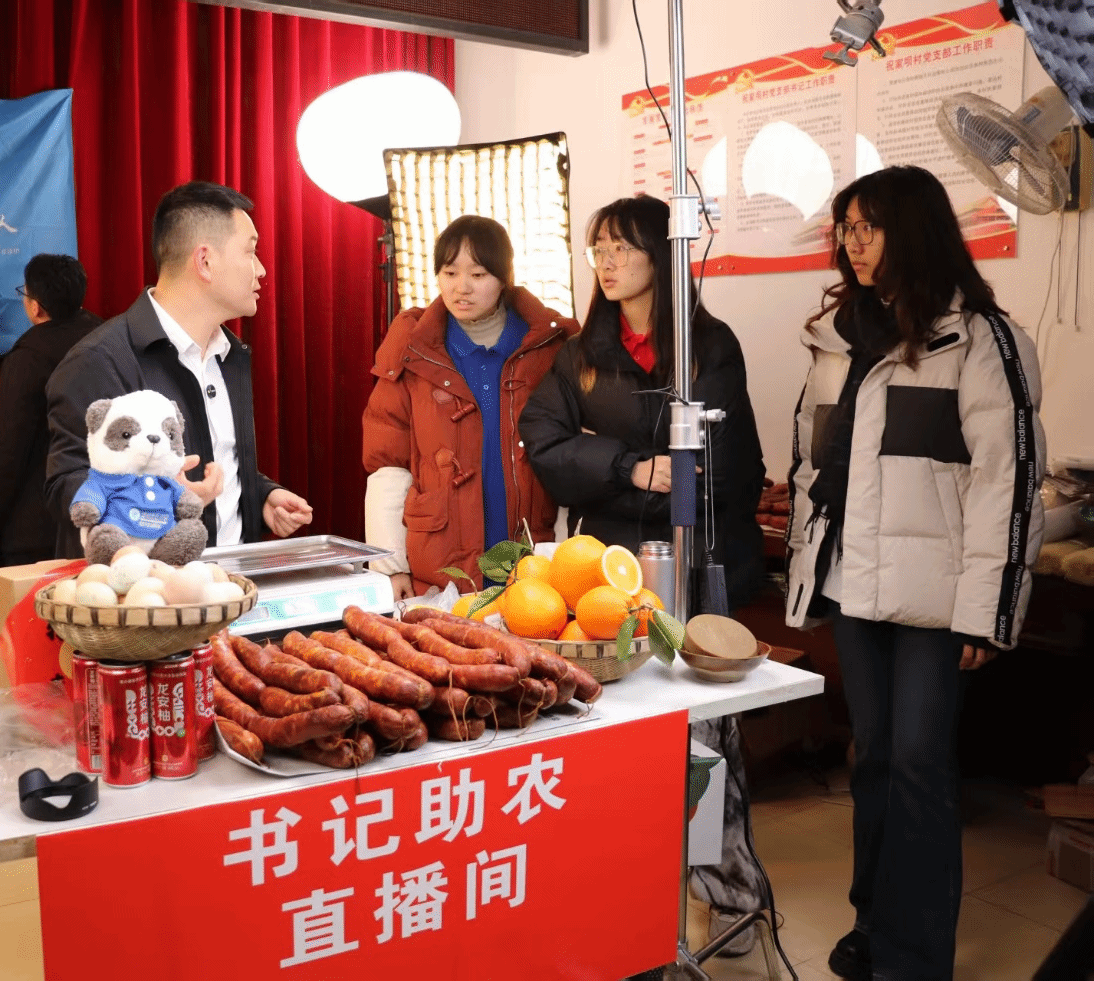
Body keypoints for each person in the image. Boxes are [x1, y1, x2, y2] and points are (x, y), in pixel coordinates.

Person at [785, 165, 1045, 981]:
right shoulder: (839, 339)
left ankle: (915, 956)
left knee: (919, 766)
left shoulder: (980, 339)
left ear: (916, 229)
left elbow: (1008, 482)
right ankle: (873, 921)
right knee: (872, 759)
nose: (854, 244)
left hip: (936, 597)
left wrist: (988, 611)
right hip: (855, 586)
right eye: (847, 229)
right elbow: (812, 464)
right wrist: (807, 568)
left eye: (870, 227)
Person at [518, 194, 769, 957]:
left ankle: (721, 894)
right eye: (598, 247)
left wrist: (637, 475)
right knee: (616, 734)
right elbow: (543, 439)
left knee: (705, 741)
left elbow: (727, 468)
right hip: (607, 578)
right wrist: (631, 467)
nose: (607, 261)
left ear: (662, 252)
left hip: (696, 566)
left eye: (622, 246)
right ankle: (620, 894)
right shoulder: (581, 354)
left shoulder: (708, 345)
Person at [45, 181, 311, 557]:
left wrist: (260, 495)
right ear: (204, 261)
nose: (262, 269)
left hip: (232, 580)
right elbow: (66, 488)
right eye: (250, 252)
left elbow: (213, 460)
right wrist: (162, 500)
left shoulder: (230, 354)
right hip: (147, 586)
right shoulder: (98, 361)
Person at [362, 215, 578, 597]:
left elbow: (570, 459)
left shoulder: (549, 348)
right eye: (449, 273)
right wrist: (391, 569)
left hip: (536, 563)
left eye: (478, 275)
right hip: (438, 569)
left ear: (504, 277)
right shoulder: (411, 349)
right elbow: (388, 467)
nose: (461, 287)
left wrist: (571, 559)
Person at [0, 255, 101, 567]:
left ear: (36, 307)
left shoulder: (28, 357)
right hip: (106, 511)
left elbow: (9, 447)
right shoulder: (109, 339)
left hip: (40, 524)